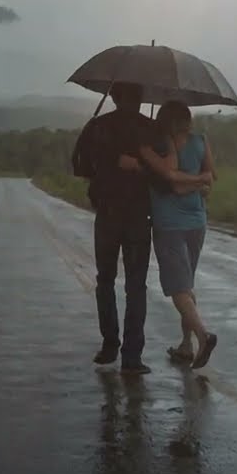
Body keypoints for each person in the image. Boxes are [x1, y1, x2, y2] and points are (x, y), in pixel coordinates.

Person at [70, 82, 155, 375]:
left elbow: (79, 166)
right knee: (136, 285)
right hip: (138, 215)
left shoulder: (98, 127)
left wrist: (106, 166)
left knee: (105, 280)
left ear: (114, 97)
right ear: (140, 98)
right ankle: (132, 356)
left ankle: (110, 346)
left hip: (108, 212)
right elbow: (162, 172)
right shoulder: (150, 129)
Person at [138, 100, 219, 370]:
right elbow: (211, 176)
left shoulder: (161, 146)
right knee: (186, 286)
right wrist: (199, 182)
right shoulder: (201, 141)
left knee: (178, 288)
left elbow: (172, 180)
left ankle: (202, 336)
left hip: (169, 223)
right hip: (197, 221)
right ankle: (186, 345)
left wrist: (185, 184)